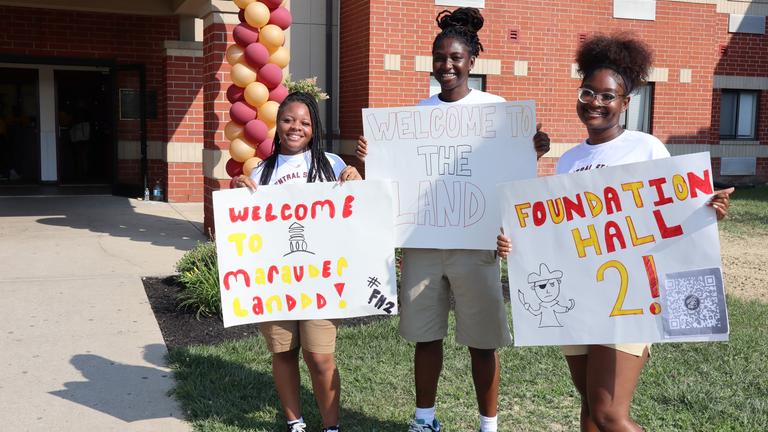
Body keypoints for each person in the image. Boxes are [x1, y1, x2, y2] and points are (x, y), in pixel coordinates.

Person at [496, 33, 733, 432]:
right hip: (579, 296)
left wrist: (708, 211)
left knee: (609, 414)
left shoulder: (646, 148)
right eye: (589, 92)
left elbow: (671, 212)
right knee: (589, 408)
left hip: (630, 300)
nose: (596, 102)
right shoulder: (569, 161)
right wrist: (516, 245)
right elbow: (557, 233)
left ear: (625, 103)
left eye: (608, 96)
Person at [356, 8, 550, 432]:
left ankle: (489, 424)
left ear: (472, 61)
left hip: (476, 245)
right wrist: (373, 158)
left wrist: (532, 147)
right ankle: (424, 419)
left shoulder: (497, 111)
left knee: (483, 342)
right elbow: (396, 176)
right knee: (426, 337)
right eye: (440, 57)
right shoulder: (416, 115)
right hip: (423, 244)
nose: (446, 65)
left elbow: (510, 169)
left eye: (455, 57)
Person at [233, 91, 362, 432]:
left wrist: (357, 182)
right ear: (278, 125)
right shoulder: (263, 171)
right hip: (276, 281)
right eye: (288, 120)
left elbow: (357, 213)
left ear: (314, 128)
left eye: (304, 122)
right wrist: (237, 194)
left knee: (320, 357)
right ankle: (296, 422)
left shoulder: (332, 164)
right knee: (284, 352)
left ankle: (331, 426)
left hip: (321, 280)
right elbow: (246, 225)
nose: (295, 127)